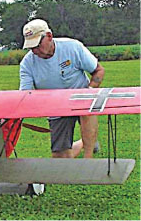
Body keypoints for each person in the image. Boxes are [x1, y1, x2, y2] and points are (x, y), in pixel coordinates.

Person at [20, 19, 104, 158]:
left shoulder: (72, 47)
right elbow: (25, 94)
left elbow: (99, 71)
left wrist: (88, 92)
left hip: (81, 98)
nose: (34, 51)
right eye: (31, 47)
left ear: (49, 37)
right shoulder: (27, 64)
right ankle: (83, 142)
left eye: (37, 45)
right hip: (55, 106)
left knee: (87, 110)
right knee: (60, 158)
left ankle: (88, 157)